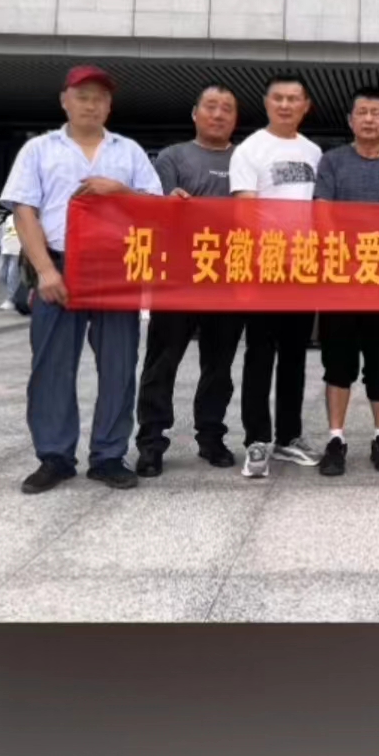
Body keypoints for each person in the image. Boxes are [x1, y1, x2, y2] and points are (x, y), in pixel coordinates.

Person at [0, 64, 163, 495]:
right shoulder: (39, 149)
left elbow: (156, 206)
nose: (91, 105)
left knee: (118, 366)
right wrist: (46, 270)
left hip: (116, 269)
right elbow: (24, 211)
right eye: (82, 96)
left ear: (109, 106)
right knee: (52, 366)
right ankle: (55, 456)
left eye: (99, 98)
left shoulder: (128, 152)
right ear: (64, 101)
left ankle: (109, 455)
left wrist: (119, 190)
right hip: (59, 265)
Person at [134, 85, 247, 478]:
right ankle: (151, 441)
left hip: (228, 278)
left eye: (227, 109)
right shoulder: (172, 157)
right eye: (211, 107)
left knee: (219, 365)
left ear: (235, 118)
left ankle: (211, 436)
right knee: (162, 362)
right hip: (178, 277)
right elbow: (154, 209)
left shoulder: (246, 158)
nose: (218, 114)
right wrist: (169, 204)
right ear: (195, 113)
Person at [313, 86, 379, 476]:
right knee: (337, 363)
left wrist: (374, 257)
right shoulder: (332, 161)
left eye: (376, 113)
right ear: (350, 120)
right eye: (362, 112)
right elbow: (322, 212)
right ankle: (335, 439)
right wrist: (348, 256)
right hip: (339, 279)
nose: (369, 119)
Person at [229, 74, 323, 478]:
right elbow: (244, 212)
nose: (286, 105)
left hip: (303, 268)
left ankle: (288, 436)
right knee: (259, 355)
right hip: (263, 267)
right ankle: (256, 439)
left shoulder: (314, 152)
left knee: (295, 356)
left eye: (293, 99)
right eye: (279, 98)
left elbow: (321, 210)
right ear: (267, 103)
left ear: (306, 106)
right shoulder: (250, 150)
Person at [0, 212, 22, 310]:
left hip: (17, 251)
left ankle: (12, 300)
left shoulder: (24, 218)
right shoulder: (9, 218)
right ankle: (17, 293)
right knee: (1, 274)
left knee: (12, 275)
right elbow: (4, 234)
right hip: (6, 250)